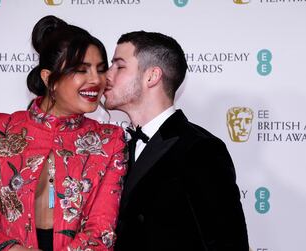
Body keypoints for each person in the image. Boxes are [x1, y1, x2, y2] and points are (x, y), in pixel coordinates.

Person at [0, 15, 126, 251]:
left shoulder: (110, 141)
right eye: (81, 70)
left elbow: (100, 235)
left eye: (101, 70)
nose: (96, 80)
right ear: (49, 78)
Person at [104, 31, 249, 250]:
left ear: (152, 77)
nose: (107, 74)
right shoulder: (116, 146)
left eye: (119, 66)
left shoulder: (201, 149)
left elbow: (228, 243)